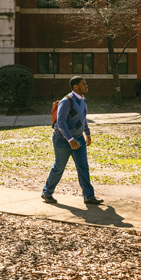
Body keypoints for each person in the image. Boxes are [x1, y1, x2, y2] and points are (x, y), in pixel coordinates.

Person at [41, 75, 103, 205]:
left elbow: (83, 119)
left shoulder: (83, 100)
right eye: (83, 84)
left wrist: (87, 134)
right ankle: (47, 192)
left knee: (83, 167)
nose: (86, 86)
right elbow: (61, 122)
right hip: (62, 140)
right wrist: (70, 139)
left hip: (79, 138)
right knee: (59, 167)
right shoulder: (66, 101)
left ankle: (89, 196)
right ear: (76, 86)